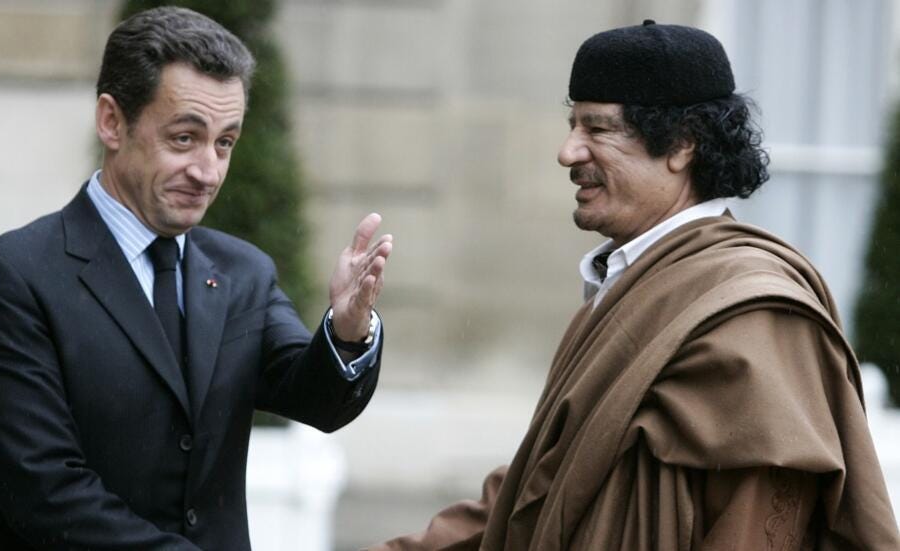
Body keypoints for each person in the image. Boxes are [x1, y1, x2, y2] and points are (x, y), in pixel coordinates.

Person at [370, 20, 898, 550]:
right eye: (573, 125)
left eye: (597, 130)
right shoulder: (628, 283)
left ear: (683, 144)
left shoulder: (754, 314)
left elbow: (758, 527)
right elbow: (541, 486)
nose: (568, 152)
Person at [0, 6, 392, 550]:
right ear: (112, 122)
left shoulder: (243, 271)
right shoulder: (13, 278)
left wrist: (348, 330)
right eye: (184, 138)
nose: (207, 171)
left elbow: (317, 402)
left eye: (224, 143)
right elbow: (45, 492)